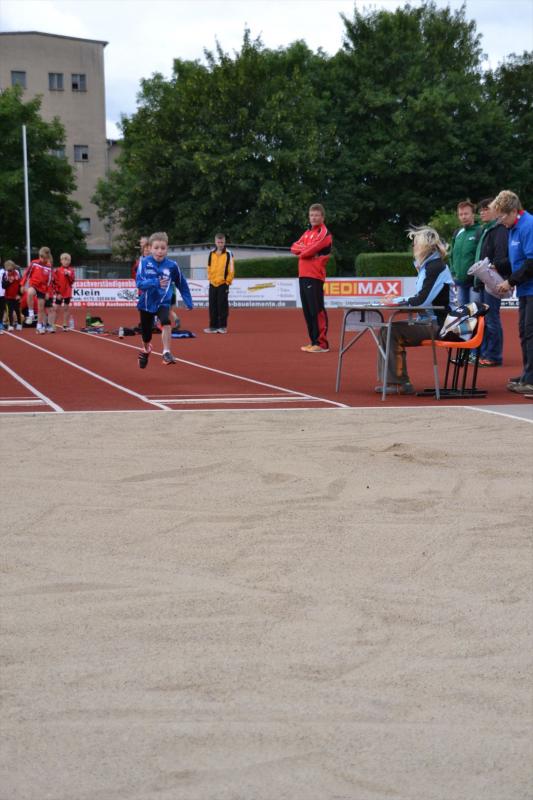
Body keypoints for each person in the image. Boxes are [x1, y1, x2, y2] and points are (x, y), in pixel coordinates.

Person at [376, 226, 454, 394]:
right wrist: (397, 300)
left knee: (391, 331)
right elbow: (421, 298)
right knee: (386, 330)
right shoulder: (428, 266)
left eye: (416, 243)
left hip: (441, 325)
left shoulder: (435, 267)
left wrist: (395, 301)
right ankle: (393, 381)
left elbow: (422, 301)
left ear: (425, 246)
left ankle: (399, 384)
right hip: (430, 321)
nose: (413, 247)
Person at [492, 191, 533, 395]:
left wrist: (510, 282)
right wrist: (497, 267)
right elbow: (516, 261)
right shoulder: (513, 228)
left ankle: (531, 379)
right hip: (525, 289)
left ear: (514, 212)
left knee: (531, 333)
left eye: (502, 216)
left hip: (531, 289)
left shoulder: (529, 225)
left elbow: (531, 262)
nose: (500, 221)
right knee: (524, 332)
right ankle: (527, 373)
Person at [135, 231, 193, 367]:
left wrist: (188, 300)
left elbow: (182, 283)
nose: (159, 251)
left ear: (167, 249)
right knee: (146, 335)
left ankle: (166, 352)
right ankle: (146, 348)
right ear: (150, 248)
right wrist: (155, 282)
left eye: (163, 248)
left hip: (163, 302)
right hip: (146, 303)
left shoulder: (172, 265)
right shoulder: (144, 263)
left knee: (166, 321)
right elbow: (139, 283)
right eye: (156, 248)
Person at [473, 198, 511, 367]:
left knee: (491, 319)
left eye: (486, 209)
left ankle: (494, 356)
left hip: (492, 280)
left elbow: (501, 256)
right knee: (485, 320)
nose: (482, 212)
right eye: (481, 210)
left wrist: (492, 267)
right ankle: (486, 353)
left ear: (496, 211)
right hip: (484, 279)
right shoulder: (487, 230)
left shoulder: (499, 230)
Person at [290, 203, 333, 353]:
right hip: (303, 275)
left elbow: (309, 251)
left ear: (322, 217)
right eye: (311, 215)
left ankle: (322, 344)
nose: (313, 218)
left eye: (316, 215)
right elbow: (293, 247)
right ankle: (313, 341)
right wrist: (305, 250)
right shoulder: (307, 232)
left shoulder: (324, 233)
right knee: (308, 311)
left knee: (316, 309)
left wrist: (304, 250)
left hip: (315, 275)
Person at [449, 200, 482, 306]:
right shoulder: (457, 233)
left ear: (473, 214)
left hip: (475, 284)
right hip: (460, 283)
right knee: (462, 313)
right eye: (461, 214)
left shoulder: (480, 231)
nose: (463, 217)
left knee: (475, 313)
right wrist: (453, 273)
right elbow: (451, 255)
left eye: (466, 214)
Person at [203, 233, 234, 334]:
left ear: (224, 242)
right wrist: (210, 278)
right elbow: (209, 267)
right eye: (218, 242)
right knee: (212, 305)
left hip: (223, 284)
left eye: (222, 242)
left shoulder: (229, 253)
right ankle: (213, 326)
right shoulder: (211, 253)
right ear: (215, 242)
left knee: (222, 305)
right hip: (213, 283)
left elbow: (231, 269)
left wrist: (228, 281)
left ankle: (223, 327)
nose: (220, 244)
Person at [21, 247, 54, 334]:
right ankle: (31, 313)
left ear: (48, 257)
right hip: (34, 285)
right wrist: (23, 284)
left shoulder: (49, 267)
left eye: (44, 258)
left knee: (41, 308)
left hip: (43, 289)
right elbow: (27, 274)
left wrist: (47, 292)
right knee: (30, 292)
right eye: (41, 257)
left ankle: (39, 326)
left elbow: (49, 281)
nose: (42, 259)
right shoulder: (34, 263)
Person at [53, 253, 76, 330]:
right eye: (65, 260)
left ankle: (65, 324)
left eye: (68, 260)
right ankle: (53, 324)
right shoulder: (57, 270)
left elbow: (72, 281)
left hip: (67, 292)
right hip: (60, 292)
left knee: (66, 308)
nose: (66, 262)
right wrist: (57, 292)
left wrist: (68, 275)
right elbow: (55, 282)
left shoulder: (71, 270)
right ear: (61, 261)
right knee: (56, 308)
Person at [2, 260, 23, 330]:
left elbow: (21, 284)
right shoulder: (5, 274)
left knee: (17, 310)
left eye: (11, 270)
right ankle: (11, 325)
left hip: (16, 296)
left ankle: (19, 324)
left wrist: (19, 294)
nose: (9, 272)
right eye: (8, 270)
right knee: (9, 311)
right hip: (8, 296)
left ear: (13, 268)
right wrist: (9, 282)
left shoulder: (17, 273)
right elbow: (3, 286)